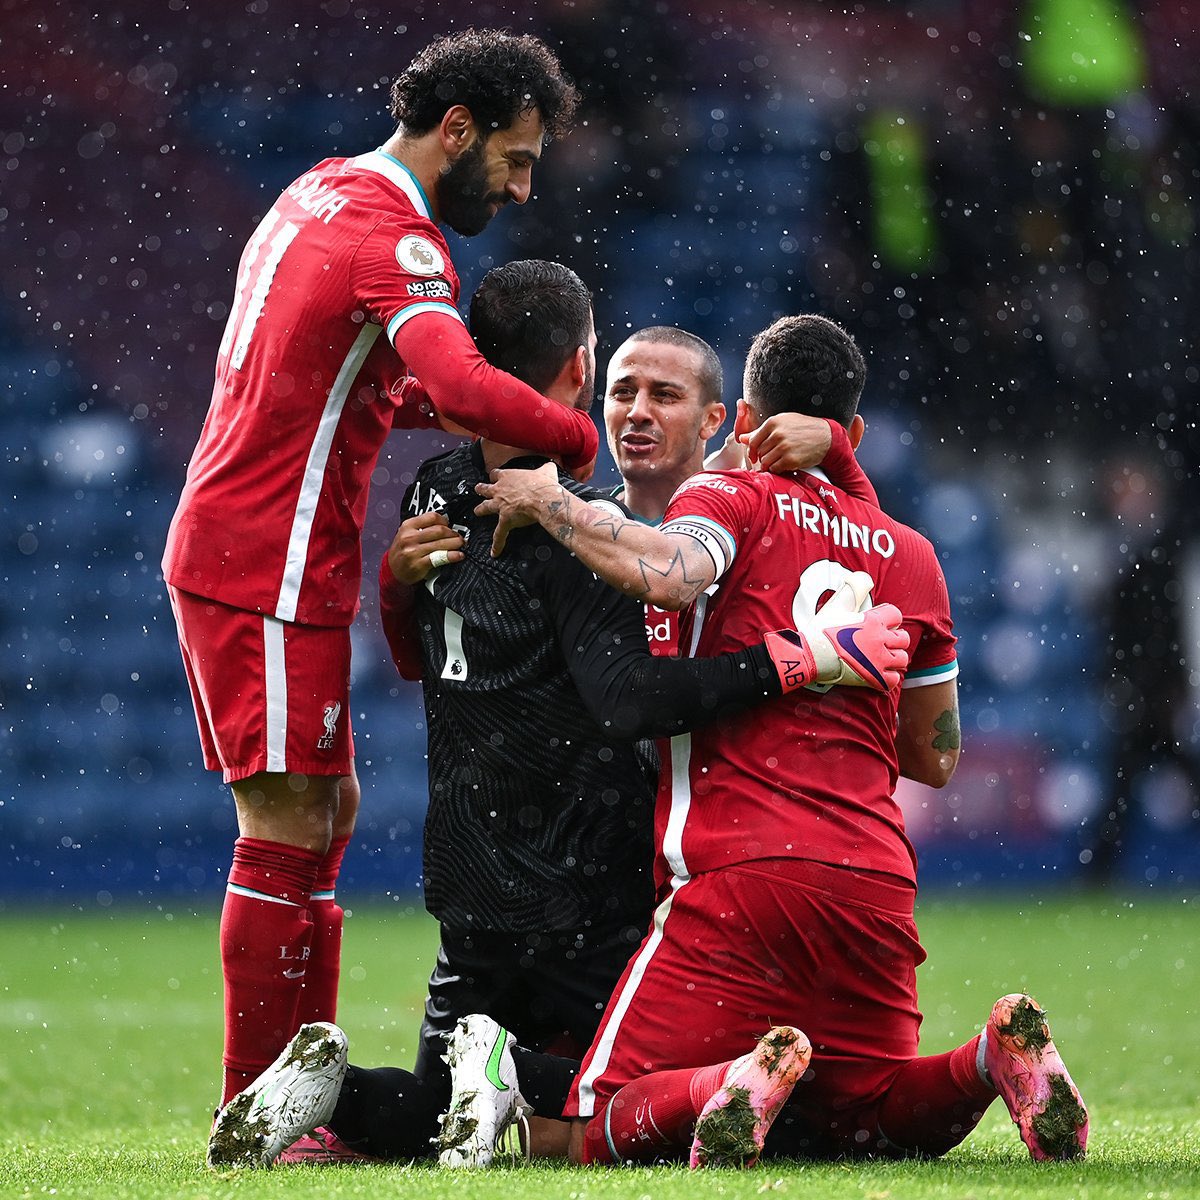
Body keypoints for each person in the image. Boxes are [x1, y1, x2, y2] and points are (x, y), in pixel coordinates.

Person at [204, 267, 909, 1170]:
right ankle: (497, 1084)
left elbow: (421, 653)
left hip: (471, 870)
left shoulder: (444, 485)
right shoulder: (585, 525)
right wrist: (797, 660)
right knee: (632, 1117)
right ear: (582, 376)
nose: (637, 412)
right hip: (595, 881)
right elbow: (630, 697)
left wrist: (391, 584)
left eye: (665, 394)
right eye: (622, 390)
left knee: (443, 1120)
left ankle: (335, 1092)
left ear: (720, 420)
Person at [474, 313, 1089, 1167]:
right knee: (861, 1115)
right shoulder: (911, 554)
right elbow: (935, 756)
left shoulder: (729, 498)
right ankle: (989, 1059)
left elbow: (672, 571)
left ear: (746, 417)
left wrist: (552, 502)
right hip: (875, 882)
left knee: (591, 1123)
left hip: (743, 872)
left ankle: (721, 1082)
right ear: (854, 433)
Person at [161, 29, 598, 1114]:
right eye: (515, 156)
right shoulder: (393, 236)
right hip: (263, 555)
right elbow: (456, 381)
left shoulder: (315, 191)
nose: (521, 183)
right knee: (285, 825)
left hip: (258, 547)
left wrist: (451, 401)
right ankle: (261, 1109)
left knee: (328, 806)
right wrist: (581, 444)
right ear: (458, 130)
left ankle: (293, 1101)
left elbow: (349, 375)